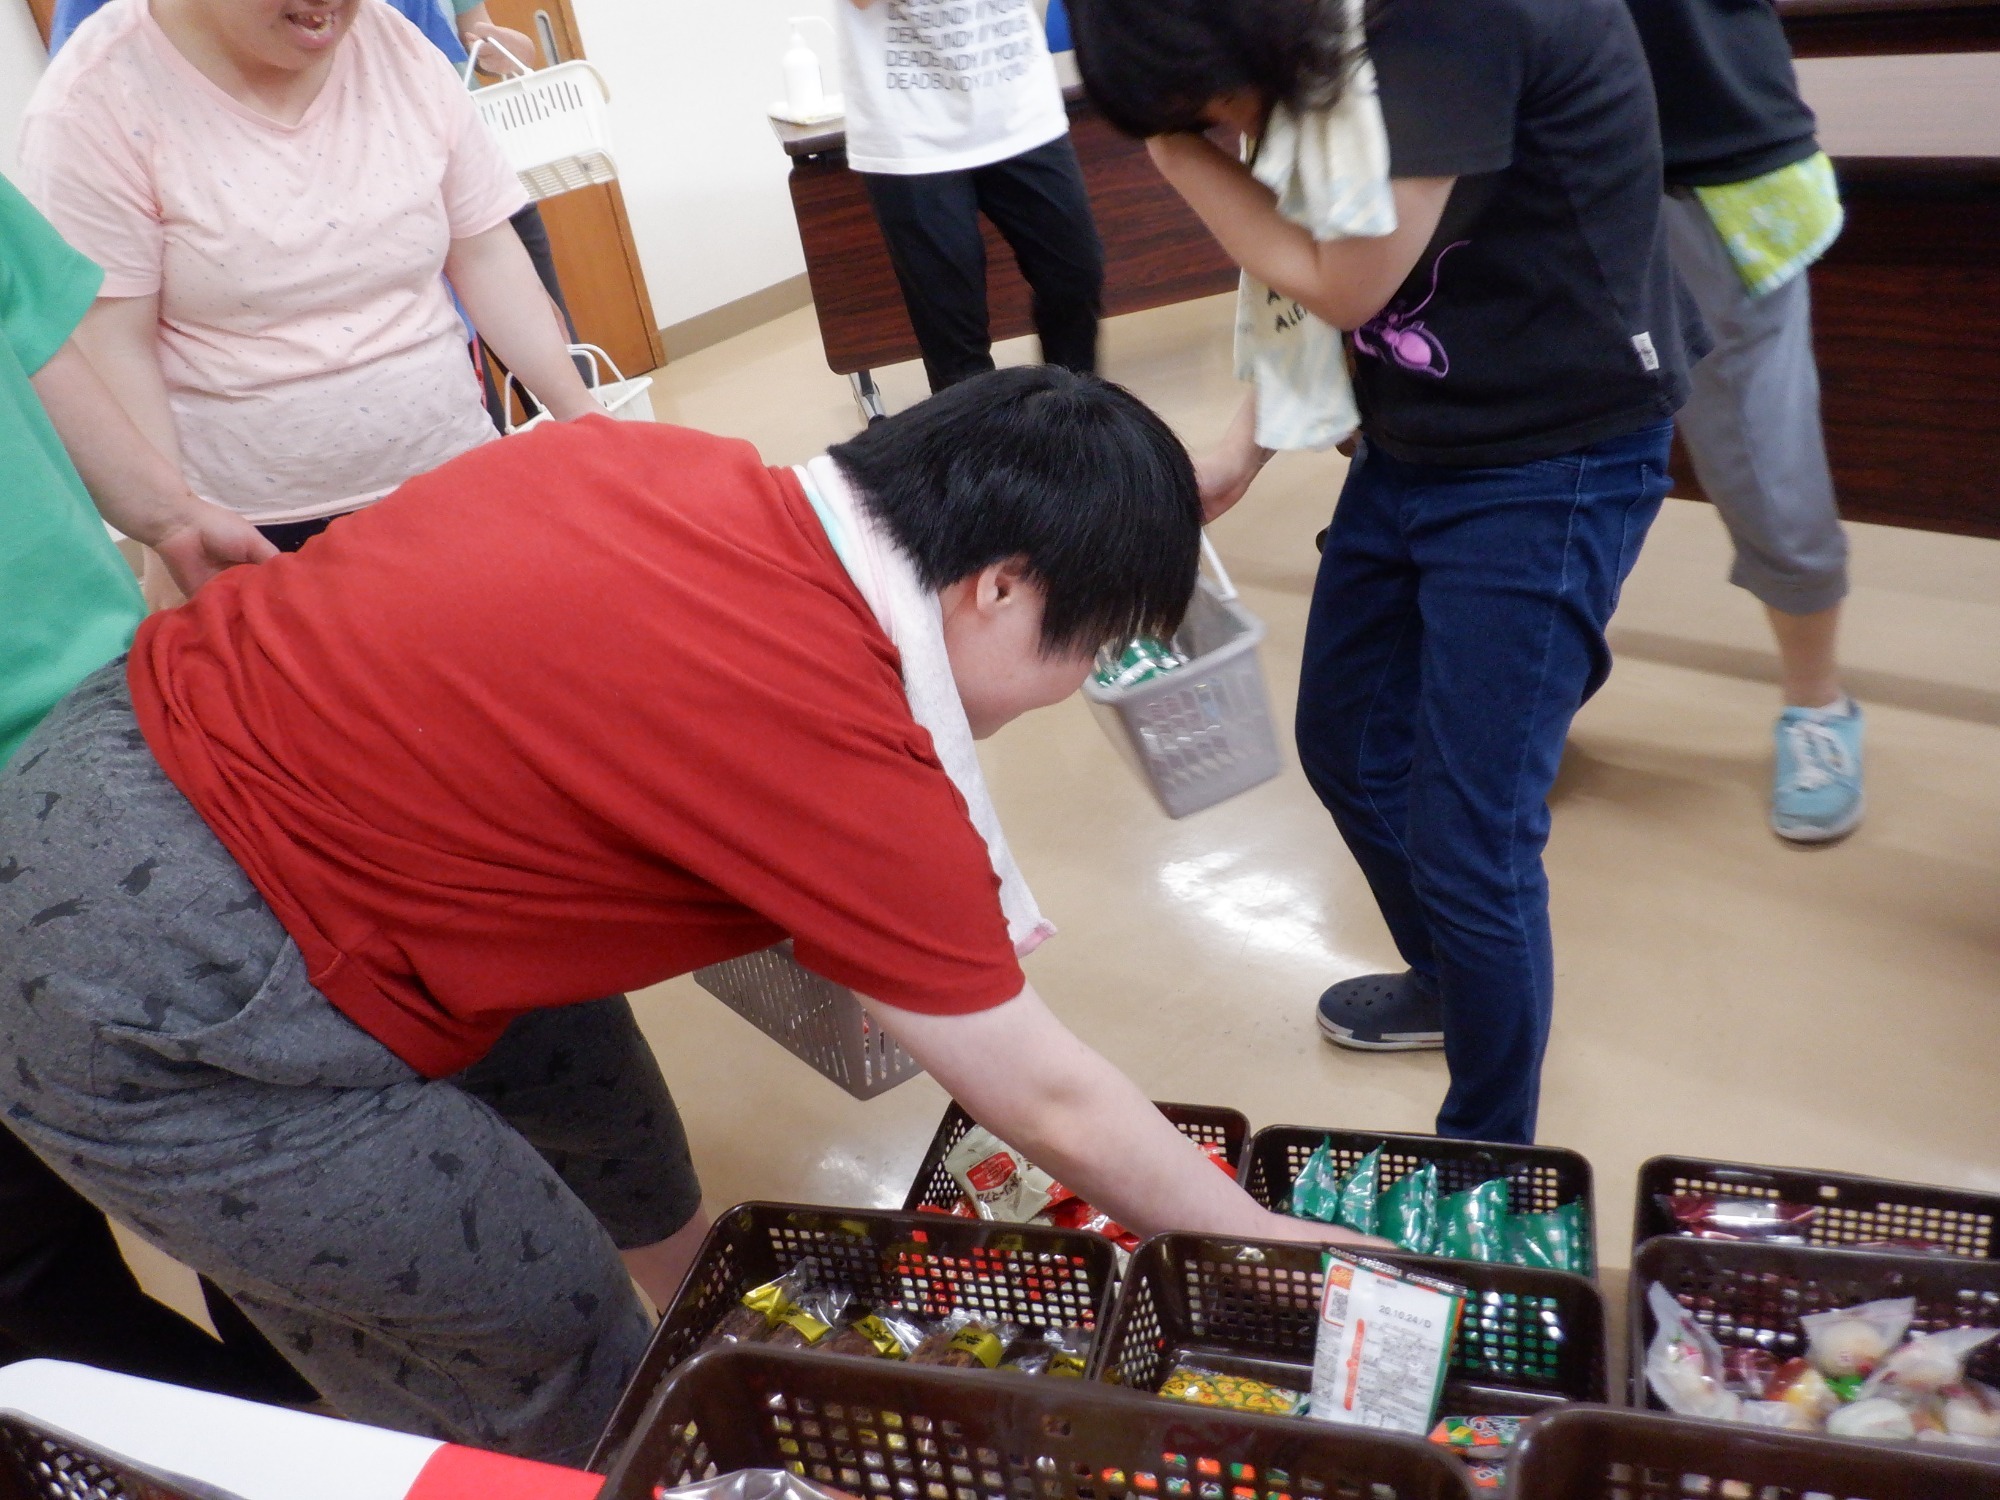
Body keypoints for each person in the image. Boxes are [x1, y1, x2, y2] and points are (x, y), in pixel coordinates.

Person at [0, 367, 1368, 1462]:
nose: (1072, 684)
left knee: (597, 1093)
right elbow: (1054, 1103)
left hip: (96, 767)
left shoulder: (664, 462)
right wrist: (1286, 1250)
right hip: (149, 988)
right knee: (532, 1329)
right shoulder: (838, 745)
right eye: (1086, 647)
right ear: (1000, 584)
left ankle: (705, 1323)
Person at [1071, 0, 1701, 1144]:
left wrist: (1172, 149)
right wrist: (1240, 446)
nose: (1231, 132)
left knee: (1473, 833)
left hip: (1552, 451)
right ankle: (1446, 985)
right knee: (1349, 743)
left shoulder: (1451, 16)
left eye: (1220, 107)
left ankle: (1487, 1148)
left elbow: (1344, 282)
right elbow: (1309, 267)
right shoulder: (1336, 32)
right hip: (1418, 430)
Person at [0, 170, 308, 1402]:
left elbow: (31, 337)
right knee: (28, 1285)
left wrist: (170, 514)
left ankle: (335, 1448)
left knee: (267, 1177)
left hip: (100, 735)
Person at [19, 0, 598, 567]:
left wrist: (586, 421)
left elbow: (484, 251)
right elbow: (114, 345)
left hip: (459, 467)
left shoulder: (392, 42)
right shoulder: (95, 101)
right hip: (259, 531)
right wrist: (173, 533)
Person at [1626, 0, 1861, 842]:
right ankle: (1526, 698)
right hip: (1525, 146)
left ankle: (1817, 706)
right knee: (1538, 457)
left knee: (1764, 465)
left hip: (1711, 153)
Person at [840, 0, 1105, 392]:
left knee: (1076, 276)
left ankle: (1071, 429)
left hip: (1020, 105)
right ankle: (979, 447)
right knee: (954, 334)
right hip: (911, 128)